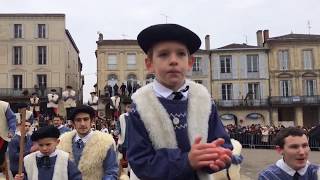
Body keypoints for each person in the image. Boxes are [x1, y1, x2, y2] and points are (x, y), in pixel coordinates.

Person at [127, 23, 233, 180]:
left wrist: (219, 157)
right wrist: (187, 161)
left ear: (190, 62)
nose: (173, 61)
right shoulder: (140, 106)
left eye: (181, 54)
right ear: (149, 64)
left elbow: (222, 142)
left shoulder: (204, 101)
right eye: (163, 54)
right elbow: (140, 160)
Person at [57, 105, 118, 180]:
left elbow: (111, 172)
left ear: (92, 121)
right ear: (73, 123)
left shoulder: (106, 142)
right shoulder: (62, 142)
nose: (82, 123)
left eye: (85, 119)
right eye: (78, 120)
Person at [0, 100, 16, 167]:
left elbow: (11, 119)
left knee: (0, 157)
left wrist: (11, 131)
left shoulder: (4, 105)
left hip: (1, 136)